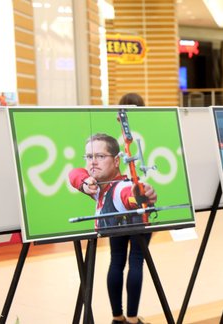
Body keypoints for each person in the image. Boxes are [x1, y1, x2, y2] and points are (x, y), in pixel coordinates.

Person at [68, 94, 155, 324]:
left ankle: (119, 318)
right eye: (90, 157)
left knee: (117, 260)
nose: (93, 161)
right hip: (137, 215)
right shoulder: (106, 184)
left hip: (133, 199)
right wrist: (85, 182)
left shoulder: (113, 185)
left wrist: (140, 194)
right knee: (135, 260)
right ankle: (132, 320)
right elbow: (75, 173)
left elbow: (130, 193)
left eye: (99, 157)